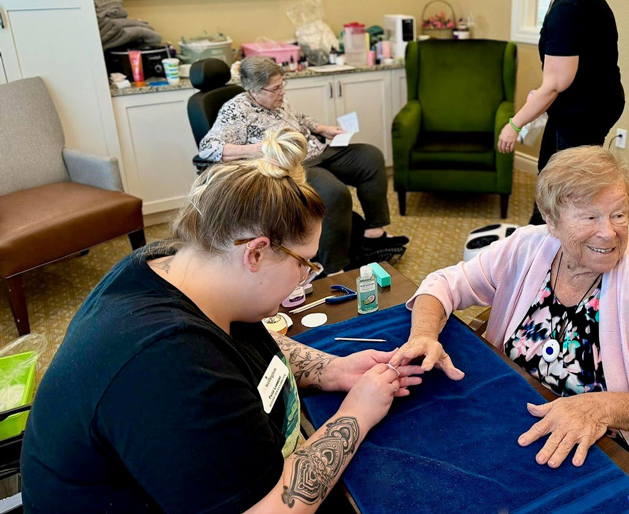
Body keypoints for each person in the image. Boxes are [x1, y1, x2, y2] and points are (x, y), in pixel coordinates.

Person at [21, 129, 424, 513]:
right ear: (256, 253)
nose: (307, 278)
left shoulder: (179, 265)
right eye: (305, 265)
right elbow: (266, 510)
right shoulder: (169, 364)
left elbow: (239, 344)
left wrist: (332, 370)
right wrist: (356, 414)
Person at [390, 147, 629, 500]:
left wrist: (600, 408)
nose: (609, 233)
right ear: (552, 220)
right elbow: (446, 283)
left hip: (598, 446)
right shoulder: (529, 245)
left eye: (618, 215)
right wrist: (423, 334)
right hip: (506, 412)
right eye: (589, 218)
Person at [199, 56, 408, 274]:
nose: (283, 92)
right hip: (296, 165)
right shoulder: (235, 110)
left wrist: (321, 128)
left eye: (282, 85)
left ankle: (373, 234)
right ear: (255, 90)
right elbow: (208, 147)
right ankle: (335, 268)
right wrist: (262, 148)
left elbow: (296, 118)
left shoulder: (276, 99)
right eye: (276, 88)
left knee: (370, 157)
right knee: (335, 193)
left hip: (319, 150)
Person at [498, 0, 625, 225]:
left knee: (568, 193)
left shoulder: (570, 7)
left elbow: (556, 83)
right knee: (549, 179)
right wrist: (541, 96)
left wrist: (514, 124)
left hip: (586, 111)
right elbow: (558, 75)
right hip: (577, 104)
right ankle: (540, 237)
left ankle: (563, 254)